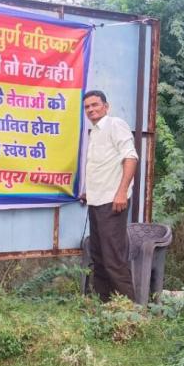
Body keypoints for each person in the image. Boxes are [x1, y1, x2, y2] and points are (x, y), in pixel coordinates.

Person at [79, 90, 138, 302]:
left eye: (95, 105)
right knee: (99, 257)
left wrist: (121, 192)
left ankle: (130, 314)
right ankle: (105, 308)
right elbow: (103, 167)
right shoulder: (95, 132)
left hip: (113, 203)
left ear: (106, 106)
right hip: (96, 201)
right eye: (87, 107)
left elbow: (130, 158)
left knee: (113, 259)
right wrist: (89, 193)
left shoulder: (115, 125)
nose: (91, 109)